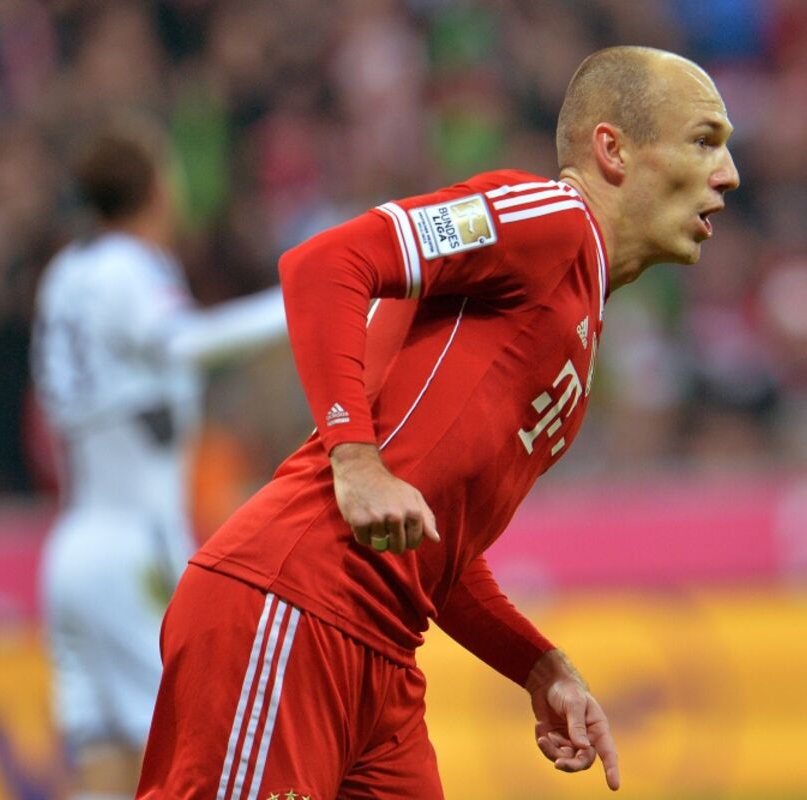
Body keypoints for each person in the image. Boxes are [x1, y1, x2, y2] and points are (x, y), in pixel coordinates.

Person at [136, 45, 739, 798]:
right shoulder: (549, 219)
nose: (728, 174)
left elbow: (434, 543)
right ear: (612, 150)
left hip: (383, 656)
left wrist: (538, 664)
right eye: (705, 141)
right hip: (293, 602)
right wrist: (354, 457)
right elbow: (324, 265)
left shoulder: (582, 327)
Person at [31, 119, 288, 800]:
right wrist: (297, 300)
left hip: (71, 551)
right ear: (153, 188)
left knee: (104, 773)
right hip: (134, 551)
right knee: (195, 756)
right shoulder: (130, 267)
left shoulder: (64, 274)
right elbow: (182, 342)